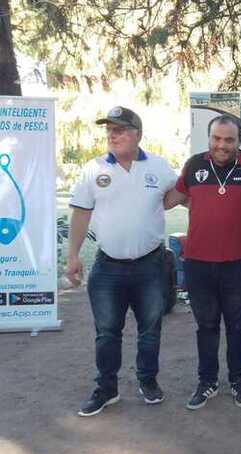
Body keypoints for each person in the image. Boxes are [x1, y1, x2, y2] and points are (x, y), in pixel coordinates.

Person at [68, 106, 177, 416]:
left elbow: (175, 197)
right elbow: (80, 213)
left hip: (151, 266)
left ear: (137, 135)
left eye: (119, 130)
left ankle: (148, 381)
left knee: (150, 329)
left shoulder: (158, 166)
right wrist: (73, 256)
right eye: (109, 130)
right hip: (108, 268)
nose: (112, 135)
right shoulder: (93, 169)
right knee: (106, 332)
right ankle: (106, 388)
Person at [165, 115, 241, 411]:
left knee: (237, 326)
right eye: (216, 139)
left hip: (239, 263)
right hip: (198, 263)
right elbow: (173, 198)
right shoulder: (195, 164)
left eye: (229, 140)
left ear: (239, 142)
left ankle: (238, 380)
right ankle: (207, 382)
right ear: (209, 139)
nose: (222, 145)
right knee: (206, 326)